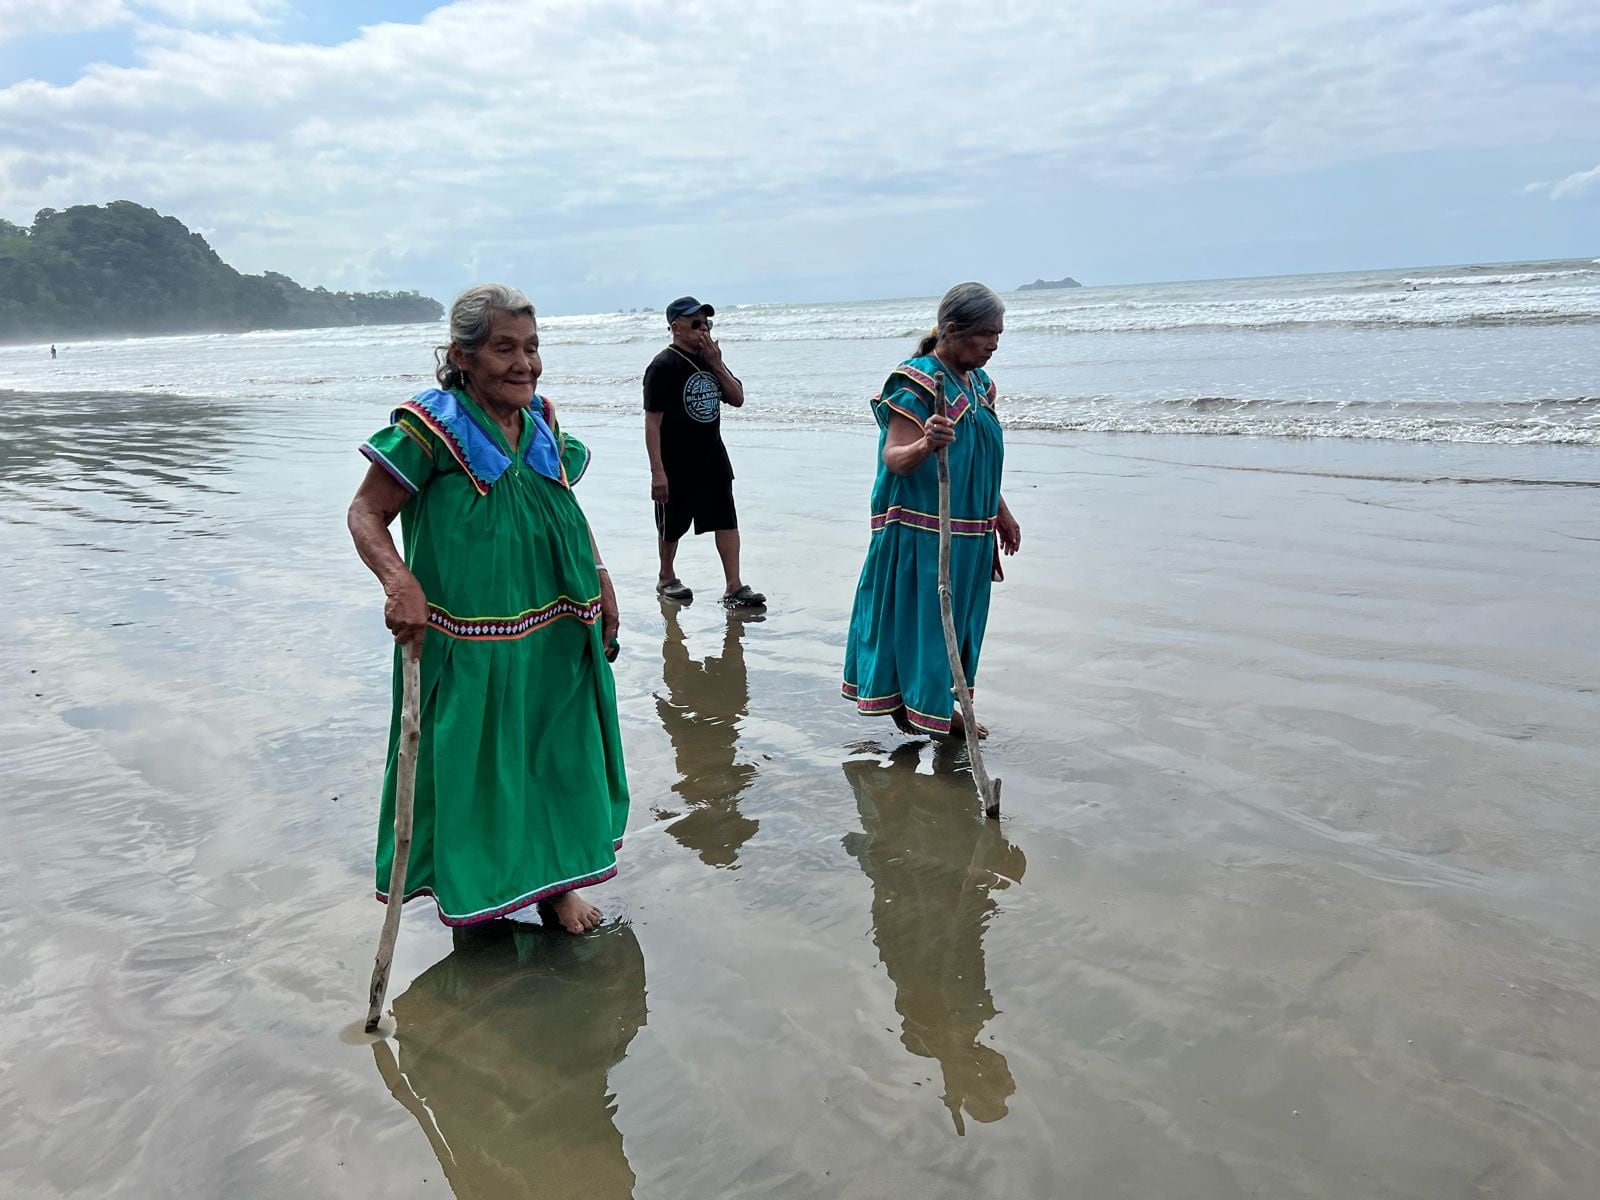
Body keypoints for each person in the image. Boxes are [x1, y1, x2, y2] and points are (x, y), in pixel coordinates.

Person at [347, 283, 628, 934]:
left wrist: (602, 576)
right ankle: (481, 892)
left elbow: (565, 506)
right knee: (479, 765)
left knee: (556, 756)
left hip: (559, 628)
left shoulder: (543, 420)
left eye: (531, 347)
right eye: (504, 348)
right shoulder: (432, 426)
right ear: (462, 356)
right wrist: (397, 580)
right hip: (472, 642)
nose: (524, 363)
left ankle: (554, 890)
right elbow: (366, 512)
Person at [842, 282, 1021, 739]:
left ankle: (935, 705)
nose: (994, 344)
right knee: (923, 622)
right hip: (924, 529)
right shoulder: (916, 381)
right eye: (987, 334)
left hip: (970, 530)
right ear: (953, 329)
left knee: (958, 621)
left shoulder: (980, 384)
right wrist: (926, 442)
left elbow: (979, 459)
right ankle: (921, 708)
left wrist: (1000, 510)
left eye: (999, 335)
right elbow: (894, 457)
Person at [643, 296, 765, 609]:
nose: (703, 330)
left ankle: (733, 586)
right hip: (676, 462)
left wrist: (716, 363)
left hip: (713, 458)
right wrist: (658, 471)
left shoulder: (711, 360)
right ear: (675, 328)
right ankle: (666, 576)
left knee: (726, 520)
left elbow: (737, 398)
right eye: (695, 324)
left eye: (706, 323)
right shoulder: (662, 366)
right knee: (672, 525)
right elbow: (652, 423)